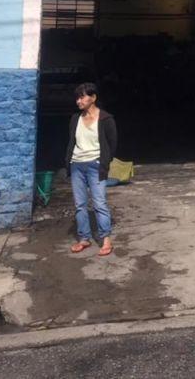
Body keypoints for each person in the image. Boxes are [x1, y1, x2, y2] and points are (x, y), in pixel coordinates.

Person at [66, 82, 117, 257]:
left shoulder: (105, 119)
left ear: (93, 98)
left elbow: (112, 143)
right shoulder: (75, 119)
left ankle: (106, 239)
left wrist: (104, 162)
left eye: (82, 97)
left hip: (96, 165)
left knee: (99, 203)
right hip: (77, 165)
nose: (78, 101)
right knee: (80, 204)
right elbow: (72, 141)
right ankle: (84, 238)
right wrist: (69, 162)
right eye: (77, 98)